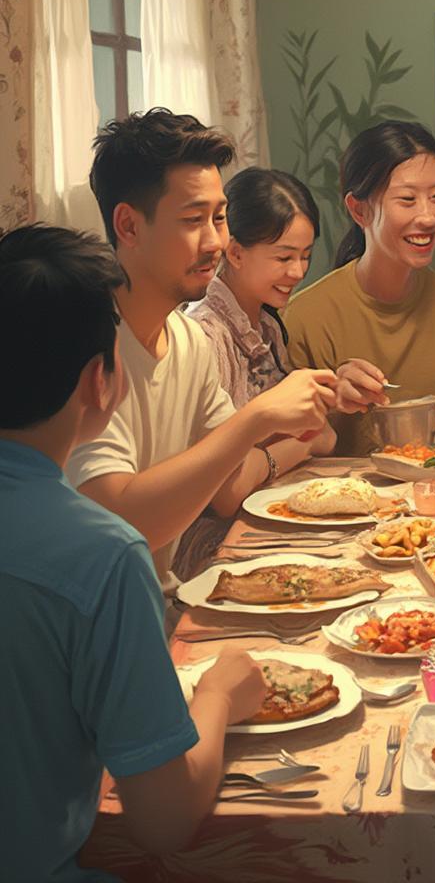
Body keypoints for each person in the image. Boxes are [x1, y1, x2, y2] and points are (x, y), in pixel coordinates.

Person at [0, 224, 265, 881]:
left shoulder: (190, 344)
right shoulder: (102, 552)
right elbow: (164, 821)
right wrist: (221, 695)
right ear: (101, 380)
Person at [66, 108, 348, 596]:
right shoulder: (85, 343)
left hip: (158, 595)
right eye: (194, 220)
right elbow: (118, 522)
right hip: (92, 618)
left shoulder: (187, 342)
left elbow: (231, 481)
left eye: (219, 217)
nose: (216, 241)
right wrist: (258, 418)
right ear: (128, 227)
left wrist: (308, 409)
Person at [285, 121, 435, 455]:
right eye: (408, 200)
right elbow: (286, 447)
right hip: (338, 500)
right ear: (359, 210)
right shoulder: (305, 316)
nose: (428, 217)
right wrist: (335, 401)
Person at [175, 167, 339, 577]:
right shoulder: (205, 335)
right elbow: (227, 492)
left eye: (305, 256)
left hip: (261, 511)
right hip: (207, 543)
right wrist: (306, 444)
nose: (299, 272)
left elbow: (305, 430)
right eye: (284, 257)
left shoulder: (265, 324)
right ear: (234, 252)